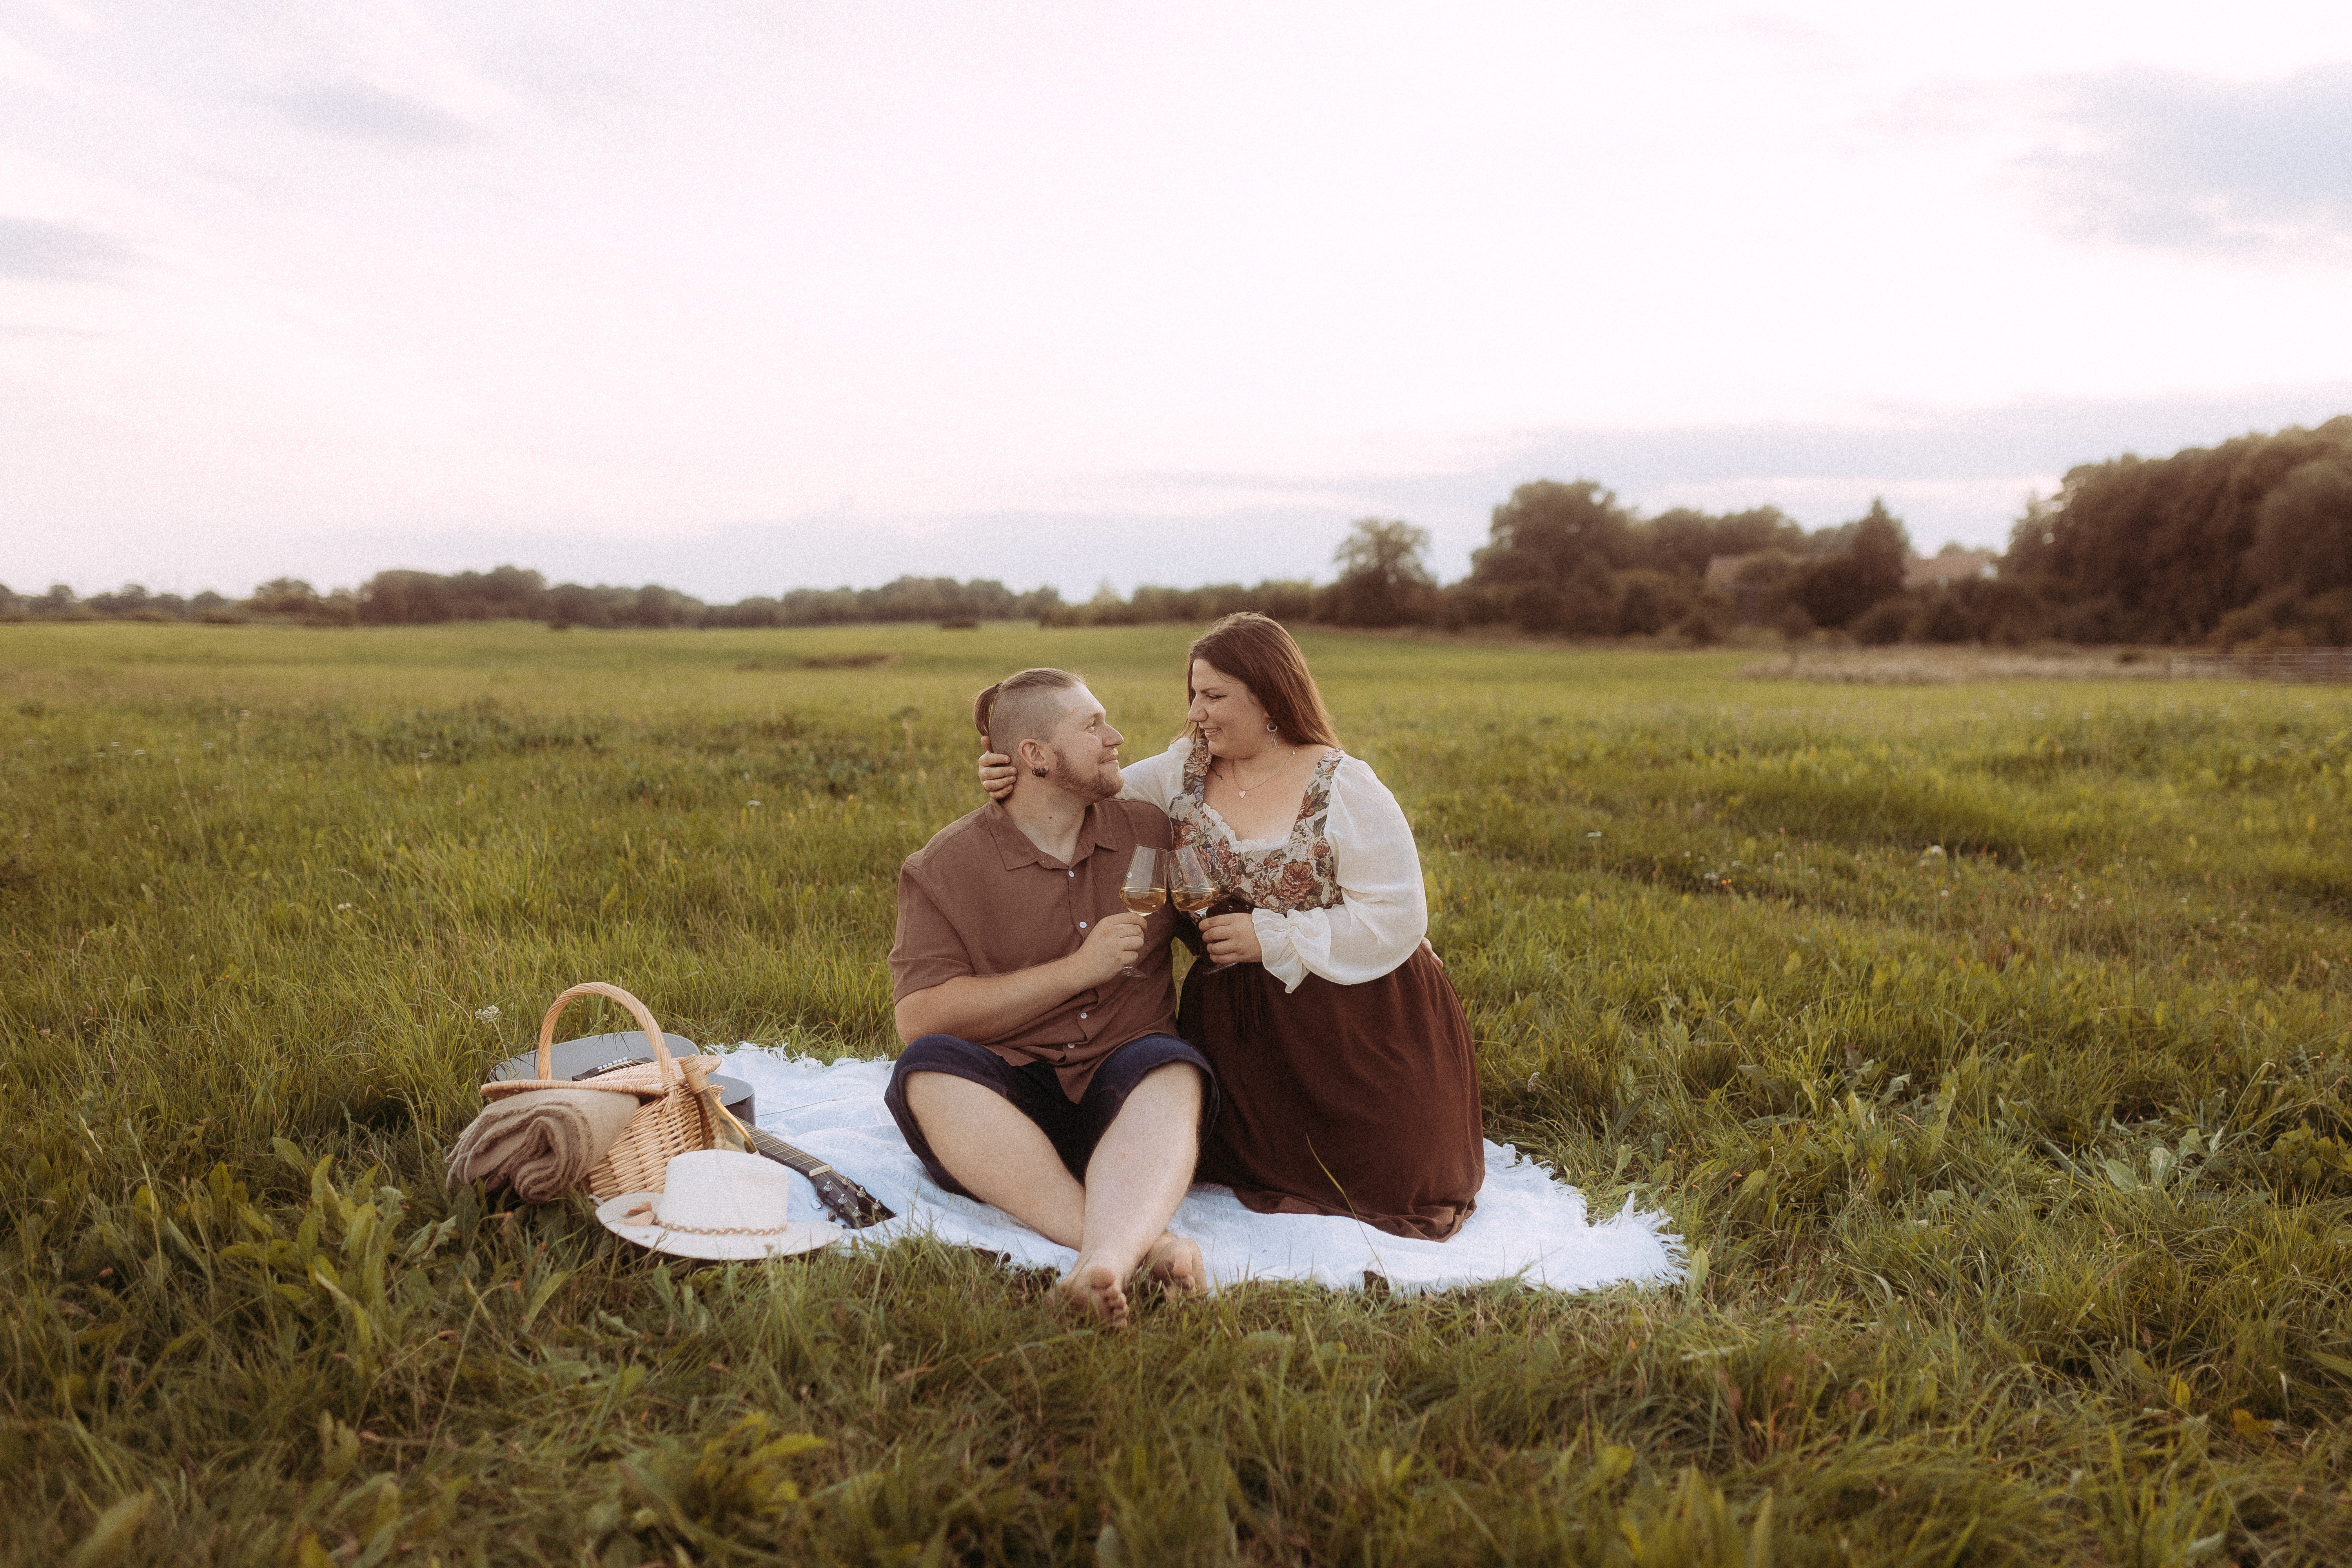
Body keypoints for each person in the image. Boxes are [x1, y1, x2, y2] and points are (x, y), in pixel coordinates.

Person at [982, 614, 1485, 1240]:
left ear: (1270, 696)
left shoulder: (1344, 785)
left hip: (1360, 1017)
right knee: (1201, 1162)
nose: (1196, 712)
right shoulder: (1178, 774)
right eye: (1194, 693)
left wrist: (1268, 937)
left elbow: (1399, 917)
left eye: (1214, 696)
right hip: (1242, 1029)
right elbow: (1088, 793)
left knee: (1400, 1185)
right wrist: (1018, 775)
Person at [886, 666, 1220, 1325]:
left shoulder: (1149, 833)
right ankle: (1135, 1246)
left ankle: (1105, 1261)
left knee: (1176, 1068)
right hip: (1008, 1111)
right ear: (1035, 757)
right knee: (926, 1075)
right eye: (1093, 726)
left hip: (1127, 1093)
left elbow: (1217, 933)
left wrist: (1344, 934)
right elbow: (920, 1019)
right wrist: (1077, 970)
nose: (1116, 736)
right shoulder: (946, 866)